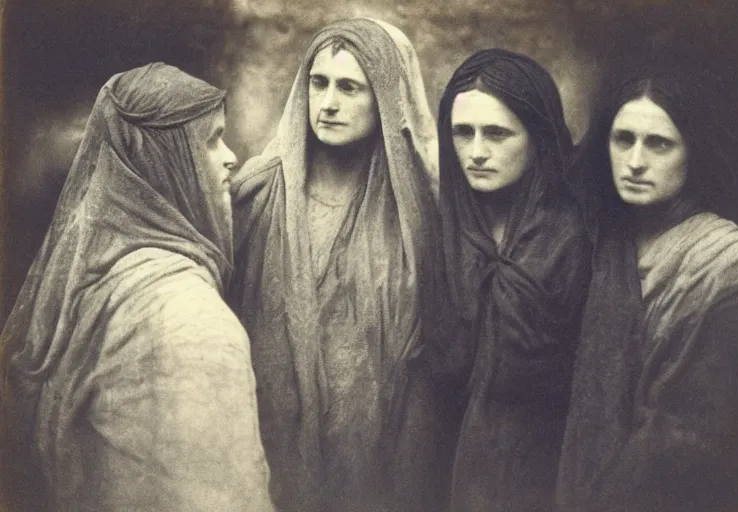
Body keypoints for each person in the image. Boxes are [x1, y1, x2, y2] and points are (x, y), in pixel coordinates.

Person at [0, 63, 274, 512]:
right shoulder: (189, 319)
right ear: (165, 164)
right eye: (210, 140)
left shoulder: (99, 281)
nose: (231, 157)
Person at [229, 18, 443, 512]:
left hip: (382, 449)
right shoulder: (257, 192)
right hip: (271, 435)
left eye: (349, 88)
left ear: (385, 99)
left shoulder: (419, 209)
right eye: (318, 83)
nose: (327, 104)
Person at [556, 71, 738, 512]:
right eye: (623, 139)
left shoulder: (729, 265)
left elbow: (692, 433)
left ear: (695, 153)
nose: (634, 161)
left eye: (659, 144)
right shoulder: (593, 242)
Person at [426, 49, 592, 511]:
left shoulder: (578, 241)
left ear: (537, 138)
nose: (477, 152)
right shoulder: (441, 232)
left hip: (544, 478)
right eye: (463, 133)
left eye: (497, 133)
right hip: (442, 471)